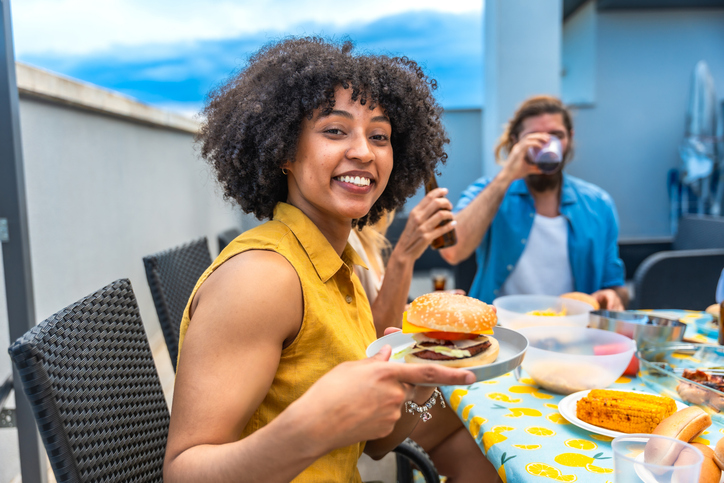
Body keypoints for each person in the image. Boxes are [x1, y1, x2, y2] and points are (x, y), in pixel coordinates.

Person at [163, 37, 477, 483]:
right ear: (284, 151)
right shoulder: (262, 278)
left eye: (380, 136)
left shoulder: (338, 265)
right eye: (335, 130)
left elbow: (374, 444)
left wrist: (419, 379)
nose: (364, 152)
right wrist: (312, 426)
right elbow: (183, 474)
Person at [350, 196, 497, 481]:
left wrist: (435, 312)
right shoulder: (346, 239)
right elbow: (376, 340)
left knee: (482, 456)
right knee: (487, 411)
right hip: (376, 407)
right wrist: (405, 253)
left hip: (398, 391)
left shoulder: (368, 234)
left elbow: (377, 317)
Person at [440, 96, 629, 310]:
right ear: (515, 142)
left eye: (557, 136)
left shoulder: (598, 204)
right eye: (534, 137)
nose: (547, 144)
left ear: (570, 138)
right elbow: (452, 251)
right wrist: (506, 176)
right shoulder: (489, 191)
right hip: (502, 331)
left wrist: (612, 296)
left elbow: (616, 286)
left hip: (572, 332)